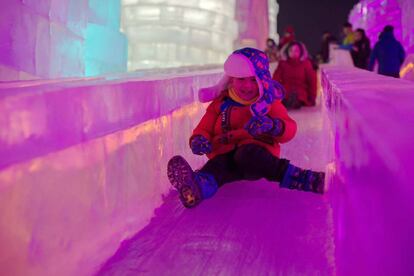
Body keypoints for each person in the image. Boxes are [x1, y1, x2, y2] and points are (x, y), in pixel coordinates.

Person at [167, 48, 325, 208]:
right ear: (231, 80)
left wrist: (273, 126)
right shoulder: (221, 103)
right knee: (218, 165)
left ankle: (301, 178)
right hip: (225, 153)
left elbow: (289, 128)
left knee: (247, 154)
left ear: (261, 80)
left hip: (256, 155)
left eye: (253, 80)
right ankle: (199, 186)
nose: (247, 86)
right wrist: (199, 139)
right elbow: (204, 127)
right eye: (241, 79)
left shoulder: (268, 103)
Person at [272, 41, 317, 109]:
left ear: (301, 52)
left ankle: (293, 102)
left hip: (301, 93)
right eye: (291, 50)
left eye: (296, 50)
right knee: (285, 98)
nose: (293, 53)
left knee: (298, 97)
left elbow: (312, 82)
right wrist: (274, 94)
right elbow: (275, 80)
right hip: (285, 92)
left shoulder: (306, 64)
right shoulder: (282, 64)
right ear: (287, 51)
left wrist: (312, 98)